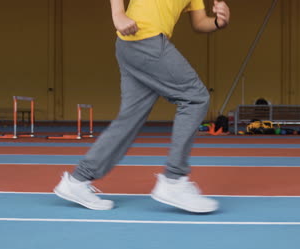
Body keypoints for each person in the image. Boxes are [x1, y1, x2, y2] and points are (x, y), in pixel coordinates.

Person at [54, 0, 230, 213]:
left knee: (129, 119)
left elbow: (200, 22)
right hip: (146, 39)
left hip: (134, 45)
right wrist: (118, 14)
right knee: (196, 97)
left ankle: (77, 181)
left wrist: (219, 22)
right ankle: (174, 180)